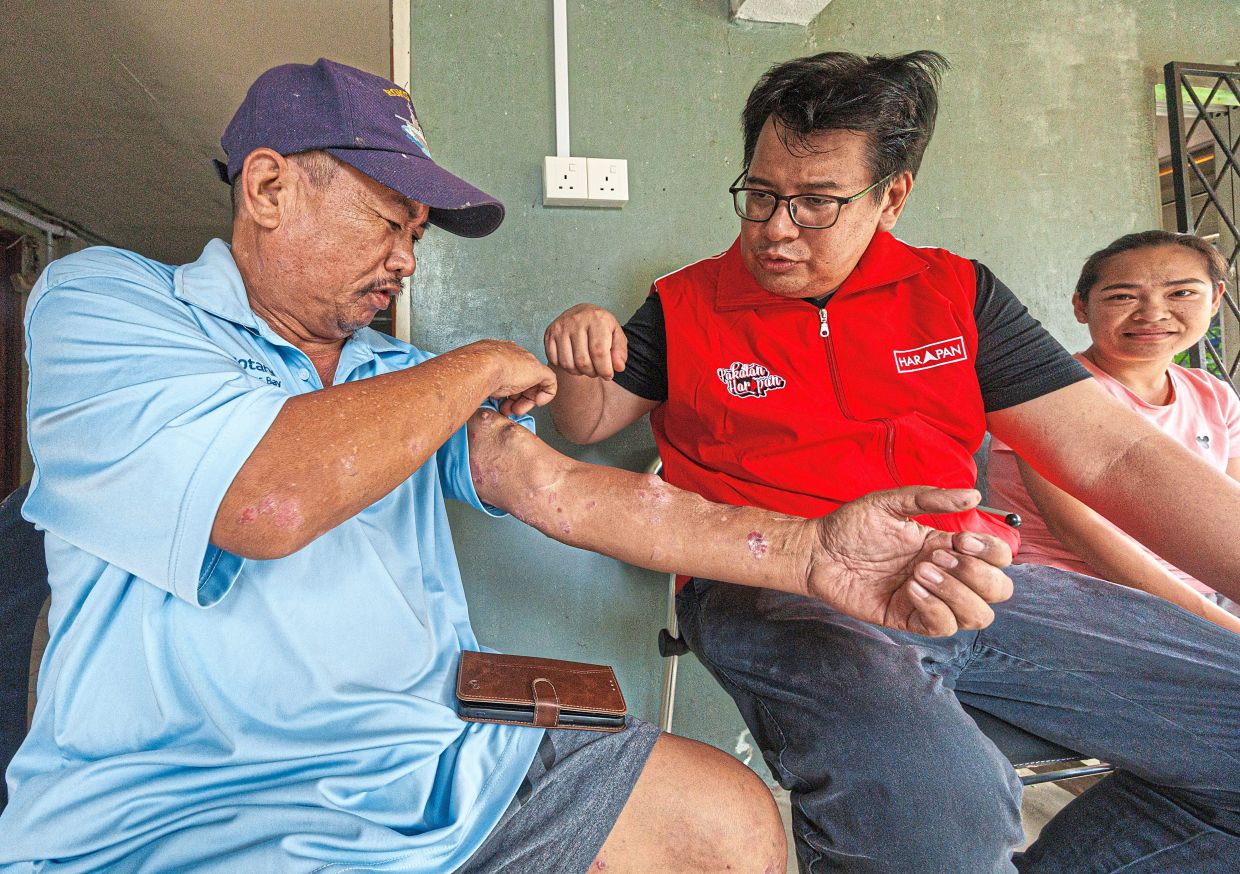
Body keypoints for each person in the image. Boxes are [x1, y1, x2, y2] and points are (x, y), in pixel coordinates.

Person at [0, 59, 1015, 874]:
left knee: (724, 819)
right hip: (182, 804)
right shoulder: (110, 304)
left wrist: (811, 555)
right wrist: (481, 359)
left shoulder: (392, 371)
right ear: (267, 187)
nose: (407, 258)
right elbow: (263, 500)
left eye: (416, 234)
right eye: (390, 220)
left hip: (421, 771)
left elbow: (563, 487)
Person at [544, 50, 1240, 873]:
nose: (773, 227)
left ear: (892, 196)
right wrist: (581, 349)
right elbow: (588, 424)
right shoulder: (687, 301)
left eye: (815, 204)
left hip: (964, 578)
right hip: (776, 586)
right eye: (761, 194)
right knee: (945, 817)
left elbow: (1116, 454)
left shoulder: (956, 292)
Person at [988, 230, 1240, 632]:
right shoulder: (1046, 391)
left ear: (1215, 300)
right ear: (1081, 307)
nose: (1152, 313)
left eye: (1181, 294)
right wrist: (1223, 629)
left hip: (1201, 590)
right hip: (1079, 590)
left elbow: (1227, 517)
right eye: (1123, 296)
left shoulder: (1214, 395)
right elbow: (1080, 533)